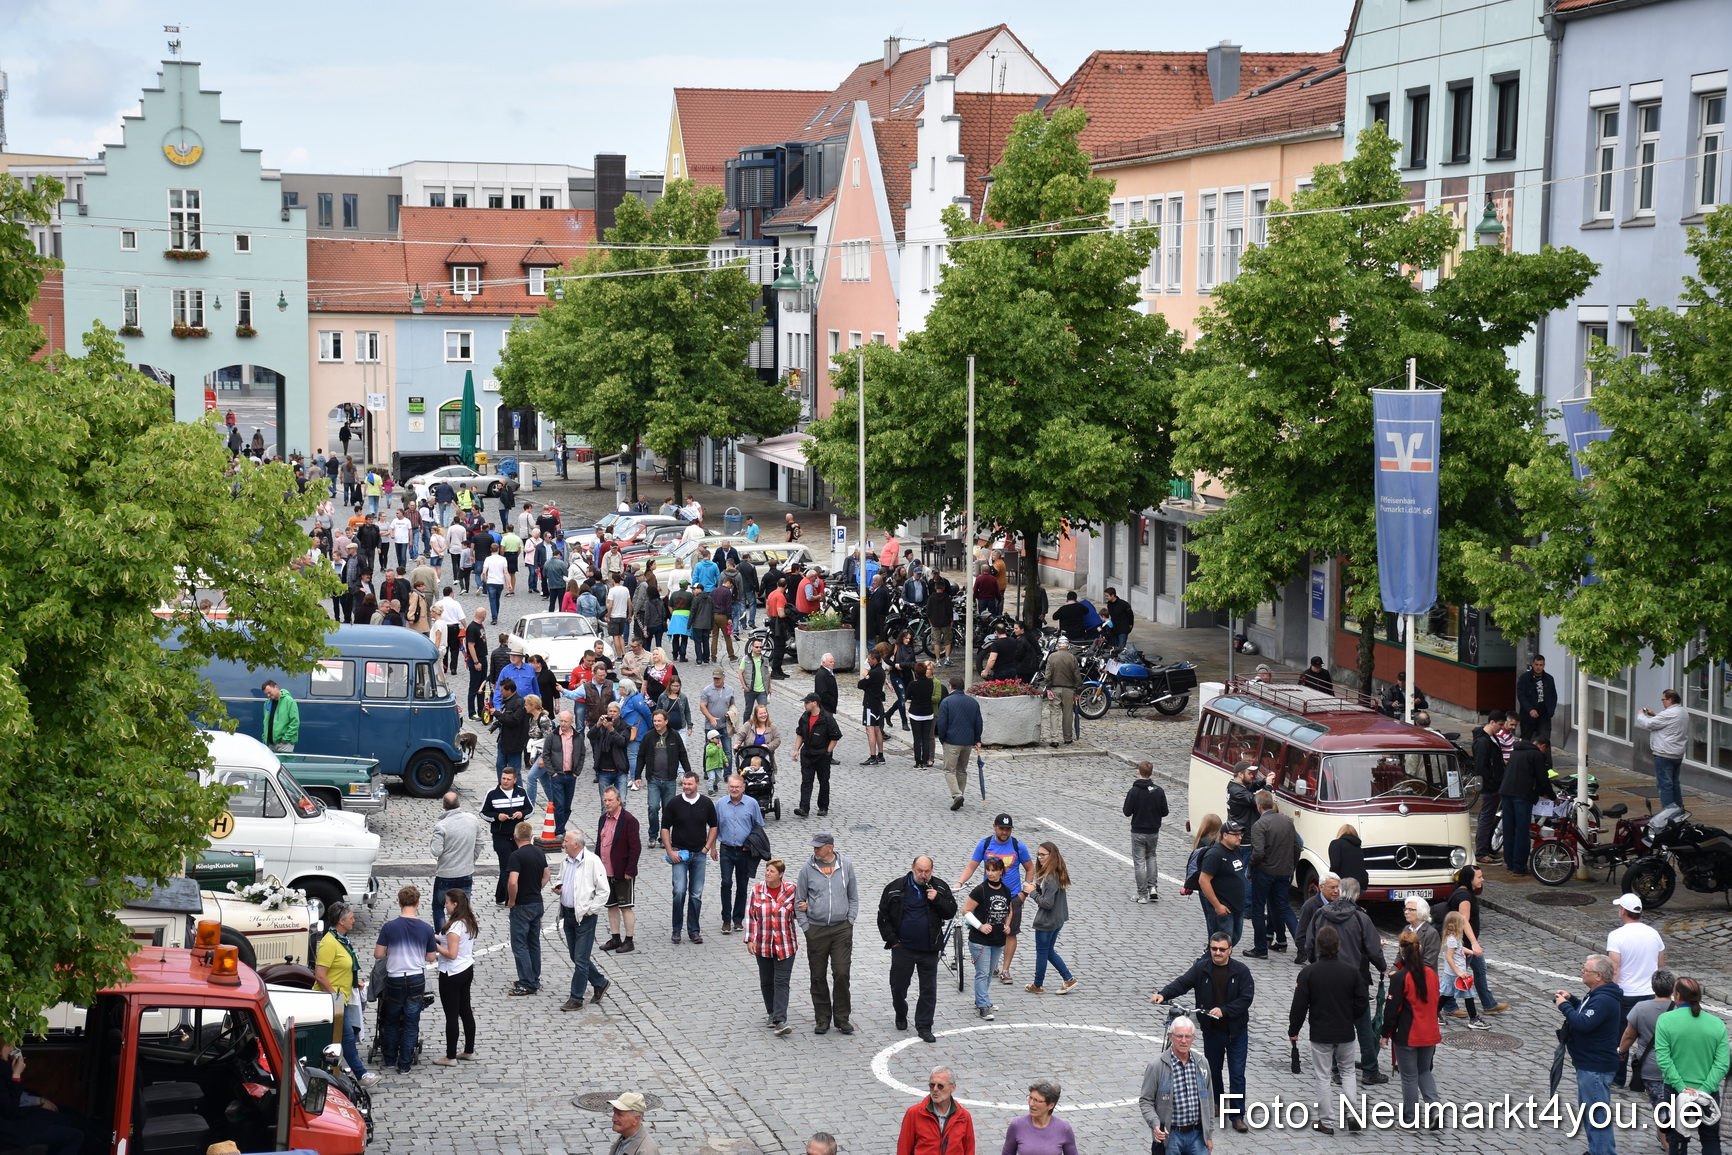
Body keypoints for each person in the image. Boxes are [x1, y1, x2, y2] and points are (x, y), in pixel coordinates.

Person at [1151, 932, 1253, 1132]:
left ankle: (1237, 1115)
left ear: (1230, 950)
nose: (1217, 952)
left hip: (1236, 1032)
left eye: (1222, 949)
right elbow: (1183, 982)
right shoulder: (1202, 968)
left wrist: (1225, 1010)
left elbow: (1246, 998)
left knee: (1237, 1074)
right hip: (1212, 1031)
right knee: (1213, 1070)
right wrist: (1163, 994)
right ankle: (1216, 1104)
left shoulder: (1241, 971)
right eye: (1214, 948)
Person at [1289, 924, 1366, 1135]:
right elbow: (1362, 1002)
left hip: (1321, 1032)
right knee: (1348, 1072)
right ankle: (1351, 1114)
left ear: (1317, 947)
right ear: (1338, 946)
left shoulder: (1309, 973)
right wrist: (1351, 1016)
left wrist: (1293, 1030)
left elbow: (1299, 1005)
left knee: (1323, 1076)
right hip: (1345, 1031)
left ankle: (1327, 1121)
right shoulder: (1350, 971)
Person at [876, 855, 958, 1043]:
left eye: (927, 871)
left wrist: (937, 899)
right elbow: (883, 915)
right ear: (913, 868)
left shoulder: (940, 887)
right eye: (920, 871)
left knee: (928, 990)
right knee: (898, 987)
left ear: (932, 870)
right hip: (903, 947)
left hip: (929, 948)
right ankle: (900, 1012)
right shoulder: (895, 887)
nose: (923, 875)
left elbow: (950, 911)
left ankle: (924, 1026)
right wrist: (893, 940)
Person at [1318, 876, 1391, 1084]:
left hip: (1327, 979)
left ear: (1339, 891)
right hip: (1355, 981)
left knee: (1334, 1025)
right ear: (1357, 895)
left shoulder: (1322, 914)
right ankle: (1369, 1070)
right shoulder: (1361, 918)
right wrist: (1383, 967)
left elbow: (1310, 943)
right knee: (1363, 1027)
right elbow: (1373, 949)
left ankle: (1336, 1070)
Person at [1557, 955, 1625, 1155]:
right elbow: (1588, 1014)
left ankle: (1603, 1152)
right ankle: (1596, 1150)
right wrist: (1573, 1000)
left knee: (1597, 1115)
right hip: (1590, 1063)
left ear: (1599, 976)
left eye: (1585, 970)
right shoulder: (1597, 994)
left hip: (1595, 1065)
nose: (1582, 972)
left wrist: (1564, 1006)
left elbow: (1584, 1023)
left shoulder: (1603, 999)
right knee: (1590, 1112)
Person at [1654, 976, 1728, 1155]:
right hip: (1708, 1093)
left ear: (1677, 995)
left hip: (1676, 1091)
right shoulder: (1717, 1024)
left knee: (1676, 1140)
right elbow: (1722, 1063)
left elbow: (1664, 1059)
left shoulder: (1665, 1020)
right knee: (1710, 1140)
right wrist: (1704, 1090)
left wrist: (1681, 1087)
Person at [797, 830, 859, 1036]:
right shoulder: (807, 869)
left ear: (830, 848)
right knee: (817, 975)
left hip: (842, 928)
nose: (814, 849)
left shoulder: (846, 865)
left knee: (841, 973)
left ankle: (842, 1018)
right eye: (814, 846)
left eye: (818, 846)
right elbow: (799, 900)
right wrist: (807, 928)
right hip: (816, 929)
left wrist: (850, 921)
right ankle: (822, 1018)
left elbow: (853, 897)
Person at [374, 885, 440, 1072]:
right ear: (418, 903)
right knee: (412, 1021)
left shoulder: (389, 927)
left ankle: (389, 1058)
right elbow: (430, 957)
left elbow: (379, 954)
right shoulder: (426, 928)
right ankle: (404, 1064)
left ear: (399, 903)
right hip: (416, 978)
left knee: (392, 1019)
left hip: (394, 978)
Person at [313, 902, 379, 1088]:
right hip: (331, 999)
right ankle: (361, 1074)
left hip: (341, 998)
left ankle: (332, 1069)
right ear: (341, 921)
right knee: (347, 1035)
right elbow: (320, 975)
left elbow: (342, 966)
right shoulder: (329, 943)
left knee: (339, 1037)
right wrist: (335, 998)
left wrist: (353, 980)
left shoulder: (341, 939)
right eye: (351, 918)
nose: (354, 920)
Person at [1380, 928, 1442, 1122]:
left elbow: (1391, 1010)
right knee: (1424, 1071)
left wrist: (1385, 1034)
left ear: (1401, 950)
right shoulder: (1431, 974)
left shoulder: (1400, 977)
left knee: (1409, 1077)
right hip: (1429, 1034)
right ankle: (1435, 1107)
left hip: (1408, 1035)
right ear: (1420, 948)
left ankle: (1410, 1119)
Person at [1608, 892, 1666, 1084]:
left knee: (1621, 1037)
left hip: (1626, 995)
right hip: (1650, 994)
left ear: (1623, 910)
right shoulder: (1654, 934)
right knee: (1649, 1039)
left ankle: (1618, 1077)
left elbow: (1615, 969)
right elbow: (1660, 966)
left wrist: (1610, 993)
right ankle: (1645, 1077)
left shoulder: (1616, 936)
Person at [1435, 864, 1508, 1018]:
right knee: (1456, 976)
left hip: (1466, 944)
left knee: (1480, 971)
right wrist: (1474, 943)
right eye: (1479, 877)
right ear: (1470, 879)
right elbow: (1464, 922)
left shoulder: (1461, 892)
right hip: (1464, 945)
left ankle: (1489, 1004)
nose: (1483, 879)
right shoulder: (1464, 897)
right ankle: (1448, 1007)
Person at [1140, 1015, 1215, 1155]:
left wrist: (1209, 1135)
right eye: (1179, 1036)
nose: (1184, 1041)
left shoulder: (1202, 1063)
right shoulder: (1157, 1066)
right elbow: (1146, 1101)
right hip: (1171, 1136)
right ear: (1171, 1037)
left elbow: (1209, 1101)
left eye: (1188, 1036)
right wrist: (1155, 1124)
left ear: (1193, 1038)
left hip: (1198, 1136)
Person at [555, 830, 611, 1011]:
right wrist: (558, 887)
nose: (563, 844)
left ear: (576, 845)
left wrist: (591, 910)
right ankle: (600, 982)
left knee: (580, 958)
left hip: (584, 917)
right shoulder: (566, 861)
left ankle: (576, 998)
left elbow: (604, 890)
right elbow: (561, 879)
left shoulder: (593, 861)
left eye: (566, 841)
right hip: (568, 914)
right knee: (576, 956)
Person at [0, 1041, 87, 1155]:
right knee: (76, 1136)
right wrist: (16, 1076)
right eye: (8, 1044)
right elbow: (10, 1110)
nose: (12, 1046)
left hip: (13, 1123)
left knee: (69, 1119)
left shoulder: (4, 1067)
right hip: (9, 1130)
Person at [662, 770, 719, 943]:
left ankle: (694, 930)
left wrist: (707, 847)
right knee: (679, 891)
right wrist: (670, 851)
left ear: (697, 784)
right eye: (684, 784)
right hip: (680, 854)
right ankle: (677, 929)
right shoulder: (674, 803)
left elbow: (714, 826)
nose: (686, 787)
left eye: (689, 784)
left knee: (696, 894)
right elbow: (665, 828)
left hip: (699, 855)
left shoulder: (706, 803)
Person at [746, 856, 800, 1036]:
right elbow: (751, 916)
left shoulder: (792, 890)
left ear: (781, 875)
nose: (767, 874)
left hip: (785, 944)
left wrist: (805, 908)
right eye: (767, 870)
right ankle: (771, 1012)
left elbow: (799, 913)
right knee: (767, 981)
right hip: (763, 944)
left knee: (781, 981)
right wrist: (750, 939)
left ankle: (780, 1020)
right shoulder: (757, 890)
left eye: (772, 871)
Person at [1247, 790, 1298, 957]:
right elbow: (1297, 846)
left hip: (1265, 872)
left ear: (1259, 806)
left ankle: (1261, 948)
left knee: (1258, 909)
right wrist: (1292, 865)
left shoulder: (1259, 825)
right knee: (1284, 907)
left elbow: (1258, 852)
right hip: (1284, 871)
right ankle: (1303, 944)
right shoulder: (1287, 821)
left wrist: (1250, 866)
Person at [431, 888, 479, 1065]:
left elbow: (451, 953)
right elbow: (450, 941)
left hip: (451, 972)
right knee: (465, 1010)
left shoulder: (454, 927)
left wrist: (434, 946)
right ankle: (468, 1050)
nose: (445, 905)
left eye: (447, 902)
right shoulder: (468, 921)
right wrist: (435, 936)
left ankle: (450, 1056)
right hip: (466, 969)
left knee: (451, 1015)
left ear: (455, 904)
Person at [963, 856, 1013, 1020]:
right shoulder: (980, 890)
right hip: (980, 941)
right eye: (988, 870)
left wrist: (1007, 924)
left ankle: (982, 1000)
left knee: (989, 973)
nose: (990, 873)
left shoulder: (1005, 890)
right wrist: (980, 926)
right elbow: (966, 911)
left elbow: (1009, 910)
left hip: (998, 940)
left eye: (993, 870)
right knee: (982, 973)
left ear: (1001, 871)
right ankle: (983, 1006)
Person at [504, 819, 549, 997]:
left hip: (522, 905)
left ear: (515, 836)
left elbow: (513, 881)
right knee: (533, 942)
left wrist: (512, 900)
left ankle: (526, 982)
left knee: (520, 944)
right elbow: (547, 875)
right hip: (537, 902)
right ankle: (534, 978)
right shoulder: (539, 852)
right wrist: (537, 888)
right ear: (530, 836)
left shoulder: (516, 856)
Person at [716, 773, 764, 934]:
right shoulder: (720, 804)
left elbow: (758, 826)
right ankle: (726, 919)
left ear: (743, 787)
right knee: (726, 883)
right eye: (731, 787)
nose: (734, 789)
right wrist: (713, 847)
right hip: (726, 849)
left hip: (745, 851)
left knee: (742, 886)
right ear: (727, 787)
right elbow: (714, 826)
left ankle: (738, 919)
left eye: (737, 787)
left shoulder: (752, 804)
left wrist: (752, 845)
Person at [1620, 967, 1676, 1108]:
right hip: (1676, 1067)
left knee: (1661, 1110)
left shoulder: (1641, 1008)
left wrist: (1621, 1051)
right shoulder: (1679, 1011)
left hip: (1650, 1067)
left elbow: (1629, 1035)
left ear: (1652, 987)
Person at [637, 708, 693, 845]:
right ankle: (652, 834)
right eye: (654, 720)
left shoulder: (674, 736)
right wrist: (637, 775)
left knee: (668, 810)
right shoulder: (648, 736)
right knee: (653, 807)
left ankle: (664, 837)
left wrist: (688, 773)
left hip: (670, 780)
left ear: (666, 721)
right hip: (654, 780)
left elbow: (682, 754)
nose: (656, 723)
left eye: (659, 721)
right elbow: (641, 756)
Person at [1501, 734, 1555, 876]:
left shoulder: (1516, 752)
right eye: (1545, 751)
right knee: (1522, 831)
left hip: (1506, 792)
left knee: (1509, 829)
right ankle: (1519, 866)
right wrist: (1552, 796)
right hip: (1522, 795)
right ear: (1543, 746)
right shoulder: (1536, 755)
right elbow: (1542, 778)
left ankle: (1510, 863)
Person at [1026, 842, 1076, 995]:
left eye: (1043, 854)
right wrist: (1039, 889)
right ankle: (1068, 979)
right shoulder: (1058, 872)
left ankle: (1038, 984)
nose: (1039, 857)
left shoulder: (1049, 878)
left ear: (1051, 856)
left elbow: (1047, 903)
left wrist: (1032, 892)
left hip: (1047, 921)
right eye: (1038, 854)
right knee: (1048, 951)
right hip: (1057, 920)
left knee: (1042, 952)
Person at [428, 792, 481, 932]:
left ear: (443, 806)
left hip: (445, 874)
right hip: (466, 873)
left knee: (439, 906)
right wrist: (470, 860)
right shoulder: (472, 820)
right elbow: (480, 843)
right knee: (463, 909)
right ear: (460, 804)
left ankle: (442, 937)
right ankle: (461, 937)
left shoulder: (441, 825)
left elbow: (436, 851)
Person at [895, 1065, 975, 1155]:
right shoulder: (914, 1114)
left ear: (953, 1088)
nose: (935, 1089)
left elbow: (969, 1150)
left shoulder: (963, 1117)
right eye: (932, 1085)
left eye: (940, 1086)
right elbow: (903, 1149)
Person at [936, 675, 984, 812]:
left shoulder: (946, 702)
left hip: (952, 741)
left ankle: (957, 795)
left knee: (949, 770)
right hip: (968, 742)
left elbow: (942, 723)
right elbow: (978, 723)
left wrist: (942, 738)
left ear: (951, 686)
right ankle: (960, 793)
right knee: (962, 770)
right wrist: (977, 739)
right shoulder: (973, 702)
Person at [1636, 689, 1689, 812]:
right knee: (1674, 784)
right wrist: (1656, 714)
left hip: (1664, 754)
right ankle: (1678, 810)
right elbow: (1668, 722)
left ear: (1670, 700)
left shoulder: (1668, 714)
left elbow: (1649, 724)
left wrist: (1640, 714)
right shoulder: (1682, 712)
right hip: (1677, 754)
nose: (1662, 702)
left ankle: (1668, 813)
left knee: (1665, 785)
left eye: (1663, 699)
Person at [482, 768, 529, 906]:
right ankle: (511, 900)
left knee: (513, 866)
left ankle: (500, 895)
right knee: (508, 866)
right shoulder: (492, 793)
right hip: (500, 836)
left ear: (515, 780)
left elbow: (530, 809)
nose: (505, 781)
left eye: (508, 779)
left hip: (517, 837)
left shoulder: (521, 792)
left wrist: (521, 814)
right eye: (503, 778)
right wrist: (497, 817)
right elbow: (483, 813)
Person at [793, 693, 843, 818]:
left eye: (807, 703)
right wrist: (796, 750)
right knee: (806, 781)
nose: (805, 705)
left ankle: (823, 807)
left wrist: (828, 751)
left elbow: (835, 737)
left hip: (822, 755)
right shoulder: (804, 717)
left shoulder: (826, 718)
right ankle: (804, 808)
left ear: (815, 703)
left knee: (823, 781)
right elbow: (800, 734)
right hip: (807, 754)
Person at [1198, 820, 1248, 945]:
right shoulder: (1215, 854)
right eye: (1235, 834)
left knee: (1233, 940)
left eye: (1240, 834)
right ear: (1225, 835)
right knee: (1221, 945)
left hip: (1237, 907)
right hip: (1223, 908)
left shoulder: (1236, 850)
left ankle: (1211, 961)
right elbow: (1203, 881)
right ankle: (1202, 964)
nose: (1240, 837)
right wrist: (1217, 905)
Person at [1473, 711, 1511, 864]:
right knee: (1486, 819)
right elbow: (1482, 767)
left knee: (1488, 818)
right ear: (1492, 722)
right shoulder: (1483, 741)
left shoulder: (1490, 738)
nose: (1501, 729)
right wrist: (1493, 785)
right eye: (1500, 725)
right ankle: (1481, 852)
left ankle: (1485, 849)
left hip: (1493, 784)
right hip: (1490, 786)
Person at [1001, 1081, 1077, 1155]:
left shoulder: (1063, 1128)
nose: (1031, 1104)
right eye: (1030, 1098)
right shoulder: (1017, 1125)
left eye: (1037, 1101)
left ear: (1051, 1105)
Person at [1045, 637, 1082, 744]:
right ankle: (1068, 737)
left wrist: (1048, 688)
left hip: (1055, 688)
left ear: (1058, 645)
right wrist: (1078, 691)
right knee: (1068, 714)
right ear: (1068, 645)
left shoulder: (1052, 657)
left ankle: (1054, 738)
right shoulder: (1072, 657)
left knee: (1054, 713)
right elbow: (1077, 676)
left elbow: (1048, 674)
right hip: (1069, 689)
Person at [1517, 653, 1559, 743]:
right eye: (1536, 665)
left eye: (1541, 665)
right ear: (1532, 664)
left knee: (1544, 741)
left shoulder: (1549, 679)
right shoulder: (1524, 678)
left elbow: (1553, 696)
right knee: (1526, 741)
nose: (1538, 667)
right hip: (1528, 717)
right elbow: (1521, 696)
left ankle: (1543, 757)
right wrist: (1530, 709)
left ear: (1544, 665)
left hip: (1544, 716)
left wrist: (1550, 711)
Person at [908, 659, 939, 769]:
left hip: (915, 713)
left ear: (916, 672)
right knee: (926, 738)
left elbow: (908, 696)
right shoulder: (930, 683)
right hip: (927, 713)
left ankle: (918, 761)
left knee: (917, 739)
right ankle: (925, 760)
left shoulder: (913, 684)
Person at [858, 650, 888, 764]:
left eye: (869, 659)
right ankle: (880, 755)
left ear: (875, 660)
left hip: (870, 703)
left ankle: (873, 756)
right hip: (878, 703)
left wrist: (866, 681)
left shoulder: (874, 672)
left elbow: (861, 684)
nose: (868, 661)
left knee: (870, 730)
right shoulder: (881, 671)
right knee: (877, 729)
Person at [1327, 823, 1368, 891]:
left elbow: (1335, 865)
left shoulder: (1336, 844)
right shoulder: (1358, 847)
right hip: (1361, 885)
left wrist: (1331, 882)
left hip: (1344, 885)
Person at [261, 679, 299, 752]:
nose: (268, 695)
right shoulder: (267, 703)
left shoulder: (289, 701)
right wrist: (265, 737)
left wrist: (285, 739)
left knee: (284, 763)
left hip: (284, 744)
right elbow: (265, 721)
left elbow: (295, 722)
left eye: (269, 692)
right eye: (266, 694)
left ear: (276, 687)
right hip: (270, 743)